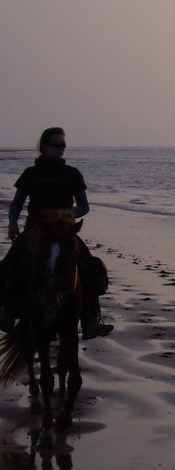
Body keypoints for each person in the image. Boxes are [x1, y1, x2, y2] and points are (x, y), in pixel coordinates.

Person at [0, 127, 113, 339]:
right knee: (10, 264)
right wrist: (12, 223)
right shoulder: (30, 174)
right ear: (44, 147)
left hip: (64, 231)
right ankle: (7, 311)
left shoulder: (71, 174)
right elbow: (17, 204)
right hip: (36, 230)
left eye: (63, 145)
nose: (61, 148)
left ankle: (91, 319)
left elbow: (84, 206)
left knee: (88, 264)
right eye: (57, 144)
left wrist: (68, 214)